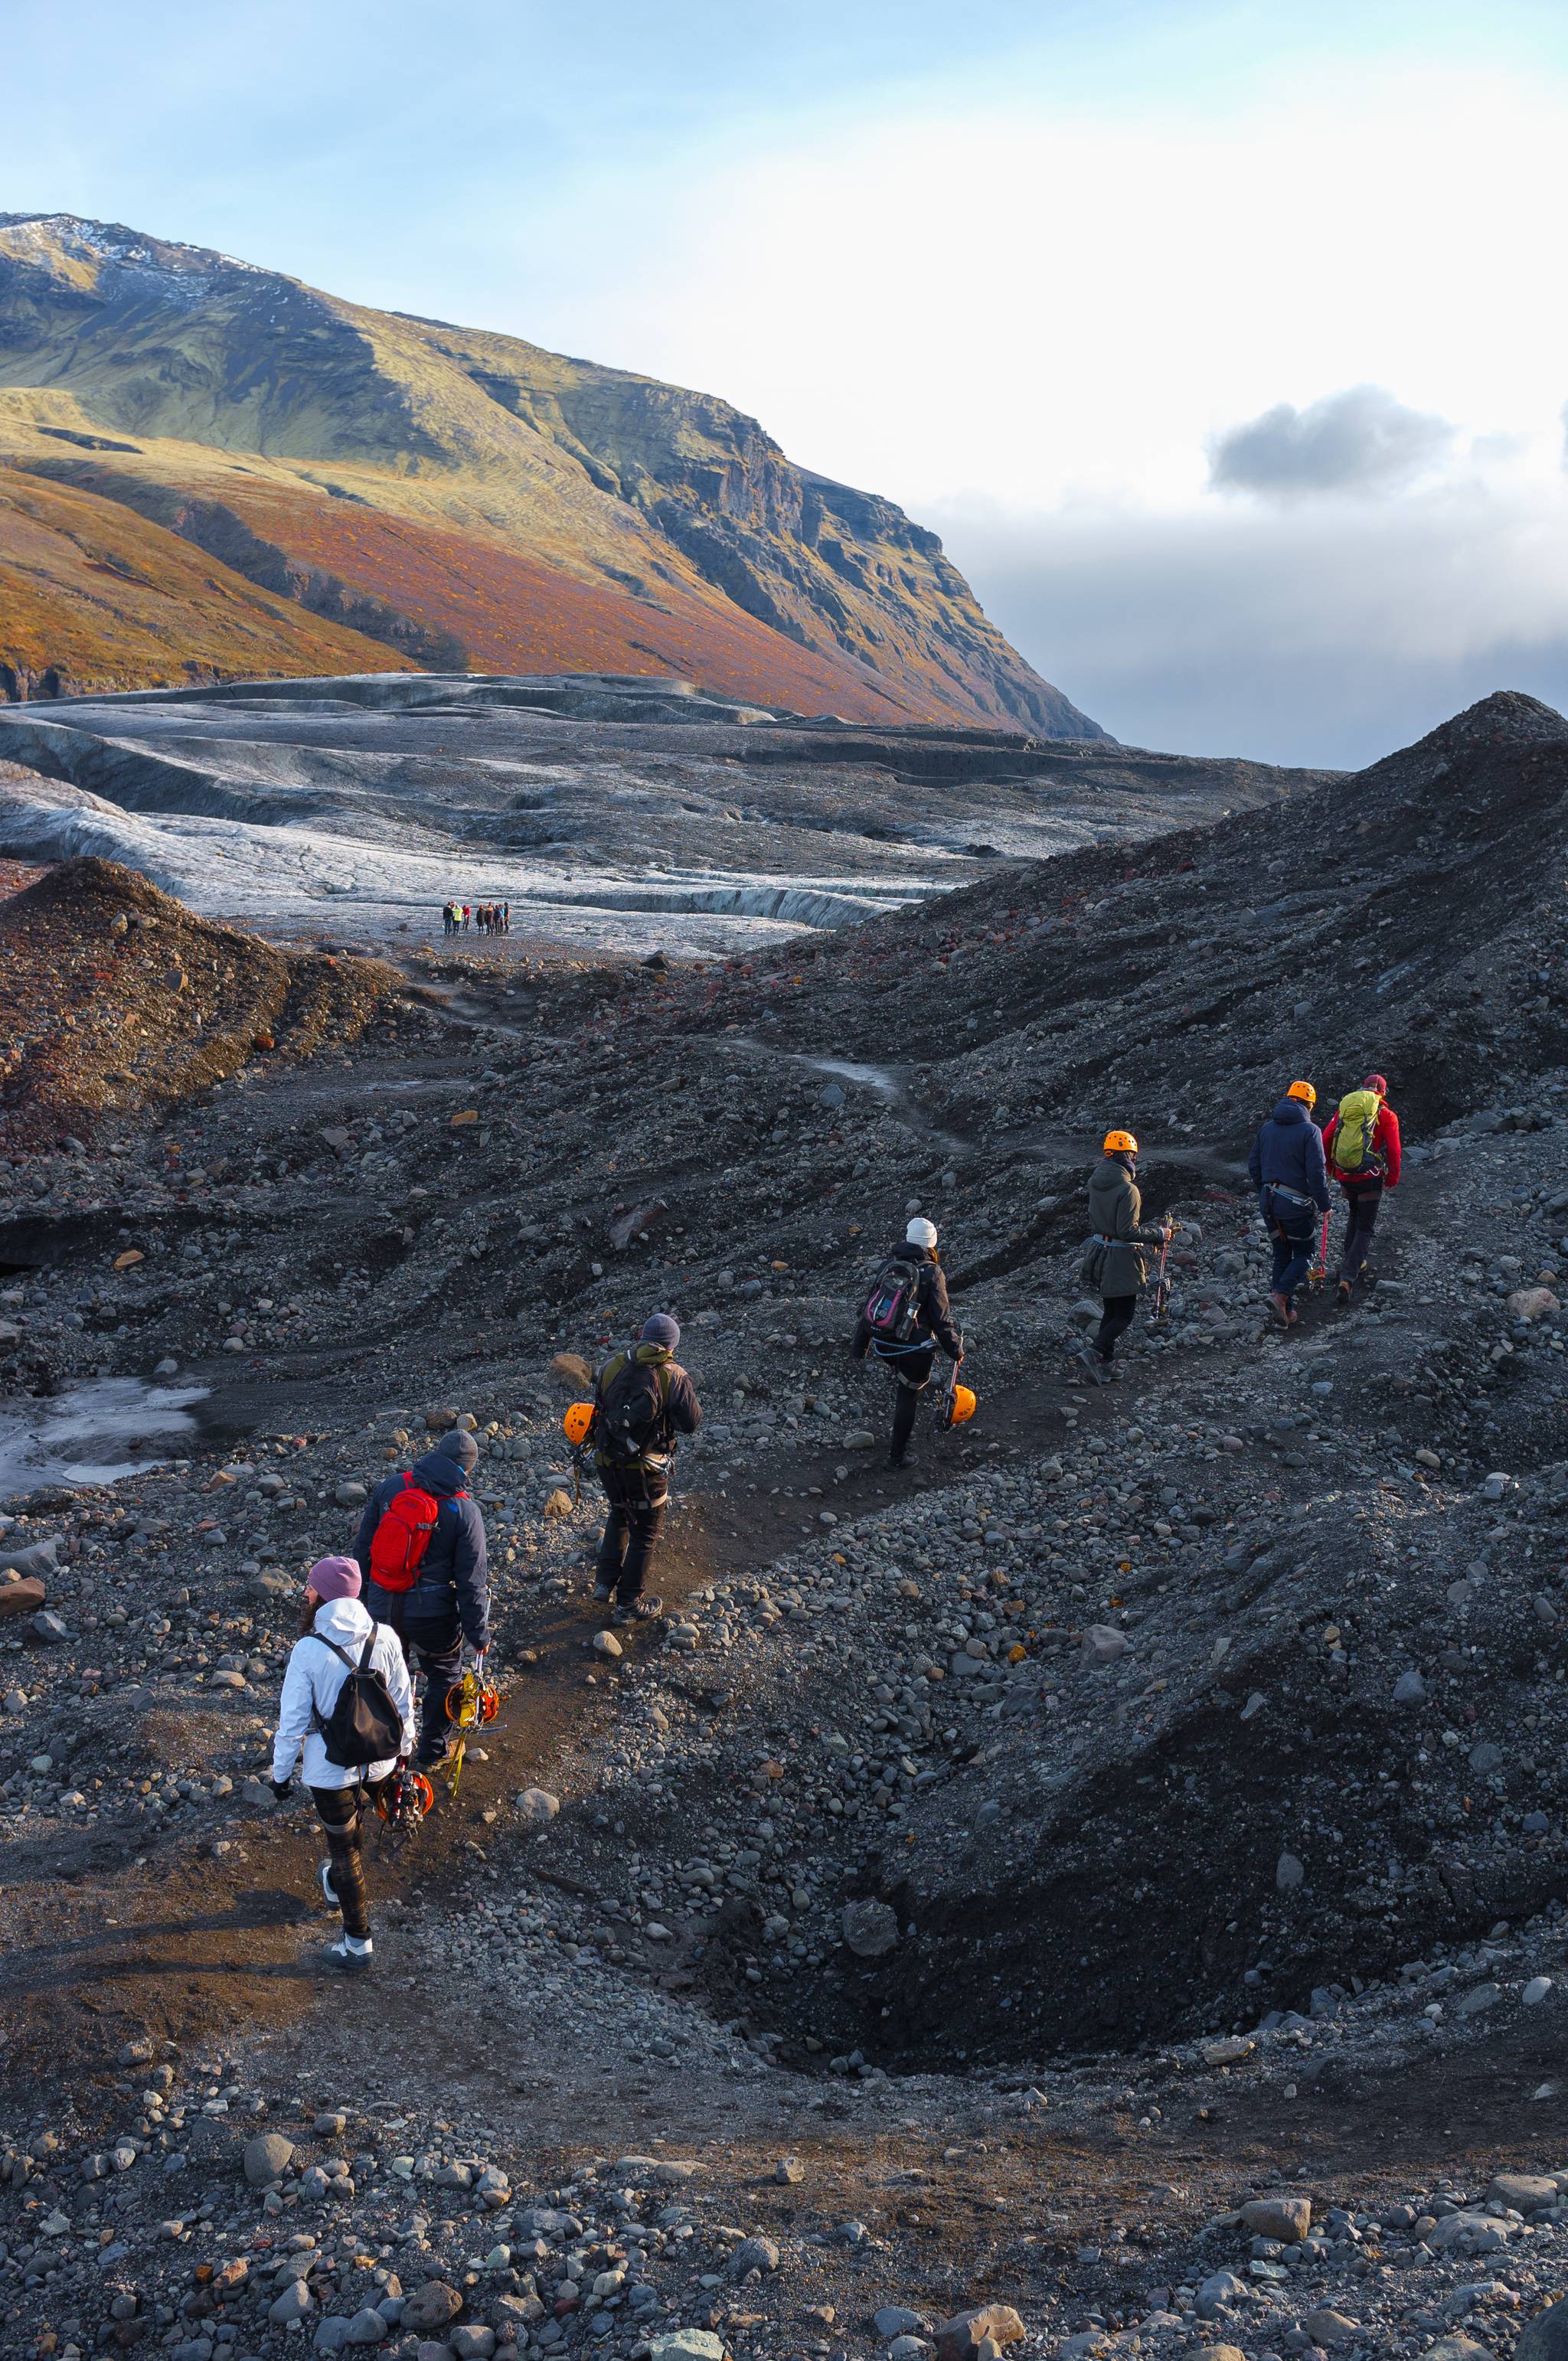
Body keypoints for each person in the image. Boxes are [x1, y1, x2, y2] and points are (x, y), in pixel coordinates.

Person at [271, 1554, 415, 1972]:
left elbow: (293, 1719)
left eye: (310, 1587)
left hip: (330, 1768)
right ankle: (336, 1884)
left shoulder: (309, 1648)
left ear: (324, 1596)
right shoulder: (384, 1636)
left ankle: (357, 1942)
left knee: (343, 1849)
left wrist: (281, 1775)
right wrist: (404, 1750)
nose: (305, 1593)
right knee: (354, 1833)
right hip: (380, 1761)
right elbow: (403, 1701)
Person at [351, 1432, 490, 1765]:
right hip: (433, 1616)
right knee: (444, 1676)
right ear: (466, 1470)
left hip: (382, 1609)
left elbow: (363, 1551)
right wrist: (478, 1634)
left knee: (382, 1678)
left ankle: (385, 1750)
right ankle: (432, 1751)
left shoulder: (390, 1488)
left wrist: (366, 1603)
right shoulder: (464, 1509)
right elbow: (472, 1580)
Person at [590, 1312, 702, 1619]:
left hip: (607, 1461)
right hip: (647, 1468)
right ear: (671, 1345)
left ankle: (604, 1584)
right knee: (645, 1533)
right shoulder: (673, 1374)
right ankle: (628, 1605)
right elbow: (691, 1423)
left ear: (643, 1336)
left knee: (619, 1513)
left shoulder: (611, 1366)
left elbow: (599, 1407)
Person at [852, 1216, 964, 1462]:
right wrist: (956, 1350)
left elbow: (869, 1305)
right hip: (913, 1349)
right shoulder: (932, 1273)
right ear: (931, 1244)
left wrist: (860, 1347)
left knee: (903, 1378)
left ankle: (898, 1375)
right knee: (907, 1397)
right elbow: (941, 1321)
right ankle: (897, 1458)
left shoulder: (889, 1265)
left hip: (883, 1343)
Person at [1075, 1130, 1168, 1382]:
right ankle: (1094, 1353)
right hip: (1121, 1258)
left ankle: (1106, 1362)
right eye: (1133, 1157)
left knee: (1110, 1310)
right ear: (1127, 1156)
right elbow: (1127, 1231)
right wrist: (1159, 1233)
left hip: (1099, 1252)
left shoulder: (1096, 1181)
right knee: (1125, 1314)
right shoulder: (1128, 1190)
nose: (1135, 1161)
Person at [1247, 1079, 1330, 1327]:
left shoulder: (1267, 1128)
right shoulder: (1310, 1131)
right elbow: (1317, 1173)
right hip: (1295, 1205)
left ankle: (1284, 1313)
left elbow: (1254, 1166)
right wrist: (1325, 1204)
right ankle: (1280, 1296)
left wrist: (1265, 1190)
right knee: (1305, 1253)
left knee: (1282, 1254)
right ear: (1309, 1105)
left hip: (1269, 1204)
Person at [1323, 1071, 1401, 1305]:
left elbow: (1326, 1139)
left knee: (1354, 1216)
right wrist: (1392, 1179)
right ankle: (1347, 1277)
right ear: (1383, 1092)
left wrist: (1332, 1170)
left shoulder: (1345, 1111)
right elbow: (1395, 1151)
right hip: (1369, 1177)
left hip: (1346, 1175)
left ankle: (1353, 1261)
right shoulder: (1386, 1114)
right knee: (1365, 1228)